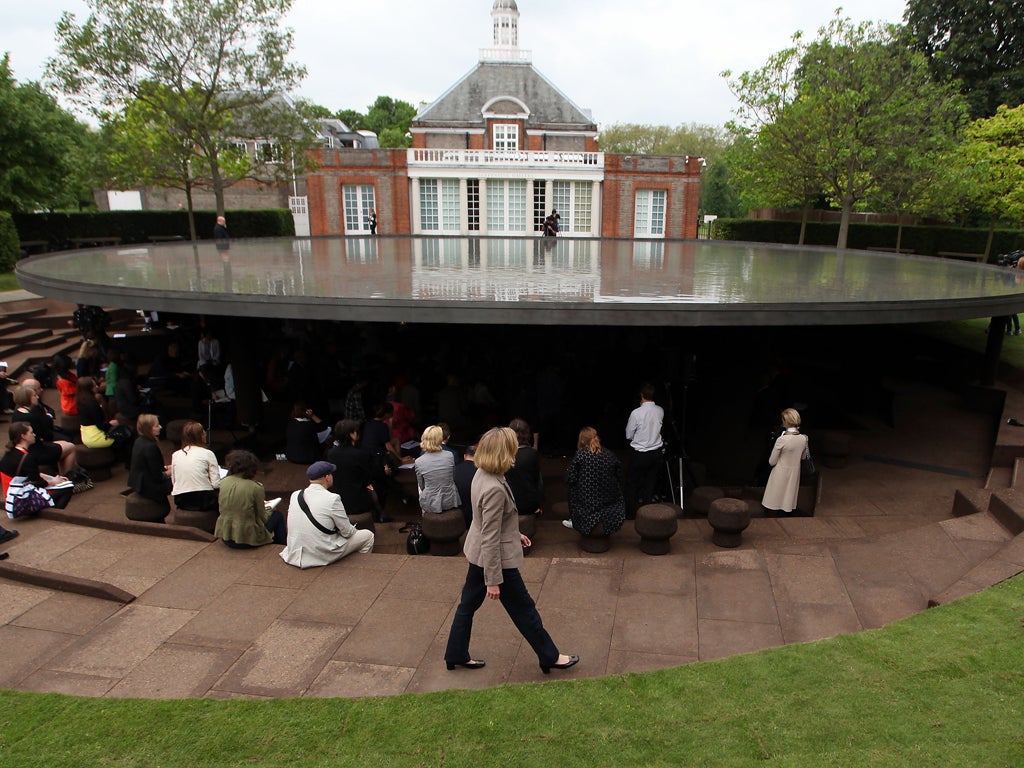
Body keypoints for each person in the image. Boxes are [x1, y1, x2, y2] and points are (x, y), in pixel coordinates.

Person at [443, 427, 578, 674]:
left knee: (467, 605)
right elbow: (491, 535)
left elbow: (488, 522)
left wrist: (515, 534)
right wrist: (493, 581)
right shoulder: (494, 486)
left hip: (479, 553)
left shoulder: (482, 473)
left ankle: (455, 653)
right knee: (524, 609)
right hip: (495, 561)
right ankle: (550, 656)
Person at [280, 461, 375, 568]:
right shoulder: (332, 498)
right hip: (320, 553)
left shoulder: (295, 495)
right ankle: (357, 568)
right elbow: (347, 532)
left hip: (295, 552)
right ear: (327, 477)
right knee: (368, 536)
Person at [215, 449, 286, 548]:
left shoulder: (223, 482)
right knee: (277, 516)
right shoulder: (255, 487)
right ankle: (282, 546)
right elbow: (261, 517)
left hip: (226, 537)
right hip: (248, 540)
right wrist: (270, 509)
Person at [562, 427, 625, 535]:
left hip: (586, 503)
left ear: (582, 440)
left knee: (572, 489)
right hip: (609, 502)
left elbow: (570, 479)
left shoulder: (581, 455)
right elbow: (619, 476)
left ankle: (576, 520)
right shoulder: (610, 454)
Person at [1, 423, 72, 514]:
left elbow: (33, 473)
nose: (34, 435)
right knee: (68, 487)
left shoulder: (9, 454)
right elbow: (39, 482)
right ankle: (53, 513)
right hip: (21, 498)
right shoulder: (27, 458)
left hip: (10, 496)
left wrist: (53, 478)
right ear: (23, 436)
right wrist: (55, 481)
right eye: (31, 432)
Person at [327, 418, 387, 523]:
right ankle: (381, 515)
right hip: (357, 500)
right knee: (378, 485)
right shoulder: (359, 454)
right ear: (351, 434)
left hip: (339, 498)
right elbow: (368, 477)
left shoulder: (331, 453)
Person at [10, 384, 77, 476]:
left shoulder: (16, 413)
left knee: (63, 444)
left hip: (26, 448)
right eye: (34, 395)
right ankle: (66, 478)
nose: (37, 397)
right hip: (37, 450)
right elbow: (47, 435)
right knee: (71, 447)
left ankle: (62, 476)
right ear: (28, 398)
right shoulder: (32, 416)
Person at [624, 383, 664, 519]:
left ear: (641, 395)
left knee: (632, 484)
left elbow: (628, 435)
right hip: (655, 453)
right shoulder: (660, 410)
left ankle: (630, 516)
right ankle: (647, 517)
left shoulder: (636, 413)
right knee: (650, 484)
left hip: (640, 454)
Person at [762, 408, 810, 515]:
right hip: (794, 474)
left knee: (774, 502)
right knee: (787, 500)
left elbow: (772, 461)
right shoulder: (804, 438)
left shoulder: (782, 440)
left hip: (780, 472)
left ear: (786, 421)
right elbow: (803, 457)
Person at [170, 421, 220, 512]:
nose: (205, 433)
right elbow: (216, 484)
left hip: (181, 499)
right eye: (203, 432)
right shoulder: (208, 453)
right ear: (200, 436)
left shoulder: (175, 455)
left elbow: (174, 482)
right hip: (203, 500)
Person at [128, 414, 171, 513]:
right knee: (181, 480)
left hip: (139, 484)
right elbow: (158, 477)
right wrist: (172, 471)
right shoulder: (151, 447)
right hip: (150, 488)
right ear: (148, 429)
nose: (160, 427)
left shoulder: (139, 441)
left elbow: (148, 466)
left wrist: (166, 468)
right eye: (156, 426)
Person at [414, 425, 461, 515]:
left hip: (430, 502)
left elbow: (422, 485)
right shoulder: (450, 455)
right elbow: (453, 478)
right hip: (450, 499)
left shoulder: (419, 461)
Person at [504, 418, 543, 516]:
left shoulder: (504, 454)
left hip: (509, 504)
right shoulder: (533, 454)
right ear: (527, 434)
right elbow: (537, 481)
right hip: (529, 505)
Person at [453, 444, 478, 528]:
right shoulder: (481, 472)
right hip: (476, 512)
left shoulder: (454, 470)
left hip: (459, 512)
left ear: (464, 456)